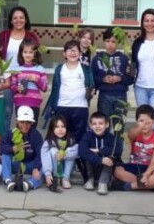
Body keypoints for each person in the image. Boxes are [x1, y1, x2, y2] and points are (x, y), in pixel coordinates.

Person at [46, 40, 94, 181]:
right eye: (69, 50)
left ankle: (76, 164)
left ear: (80, 53)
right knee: (62, 137)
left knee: (78, 138)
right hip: (62, 105)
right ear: (64, 54)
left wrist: (91, 91)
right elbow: (55, 88)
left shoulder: (85, 69)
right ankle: (60, 168)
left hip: (80, 107)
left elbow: (91, 85)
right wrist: (54, 106)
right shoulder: (60, 69)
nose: (73, 52)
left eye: (75, 50)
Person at [0, 6, 40, 125]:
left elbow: (36, 57)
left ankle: (23, 140)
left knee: (23, 113)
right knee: (6, 111)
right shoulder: (4, 35)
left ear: (26, 19)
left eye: (21, 17)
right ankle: (5, 140)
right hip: (7, 78)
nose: (18, 20)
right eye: (15, 18)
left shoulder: (31, 37)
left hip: (24, 80)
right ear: (11, 21)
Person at [113, 104, 154, 192]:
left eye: (148, 122)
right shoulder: (135, 132)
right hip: (134, 166)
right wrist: (140, 127)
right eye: (141, 121)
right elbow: (131, 135)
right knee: (116, 171)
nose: (144, 125)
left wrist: (146, 175)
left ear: (153, 122)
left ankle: (128, 186)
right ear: (137, 121)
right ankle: (152, 185)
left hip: (150, 168)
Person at [92, 28, 134, 124]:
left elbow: (130, 79)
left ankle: (117, 140)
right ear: (104, 41)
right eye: (107, 41)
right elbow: (93, 79)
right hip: (104, 96)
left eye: (113, 41)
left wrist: (120, 78)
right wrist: (103, 79)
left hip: (121, 96)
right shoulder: (97, 58)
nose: (110, 44)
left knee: (119, 126)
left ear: (118, 42)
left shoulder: (124, 58)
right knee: (103, 125)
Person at [0, 106, 43, 192]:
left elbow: (40, 153)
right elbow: (1, 148)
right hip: (16, 164)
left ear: (31, 123)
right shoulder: (11, 133)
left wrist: (36, 167)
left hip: (30, 164)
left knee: (45, 166)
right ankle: (8, 180)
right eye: (22, 122)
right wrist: (12, 148)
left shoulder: (36, 135)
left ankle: (30, 183)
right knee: (5, 156)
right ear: (17, 121)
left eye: (28, 123)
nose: (24, 125)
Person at [79, 111, 123, 194]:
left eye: (100, 123)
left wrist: (100, 150)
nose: (97, 126)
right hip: (91, 168)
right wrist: (100, 160)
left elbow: (118, 150)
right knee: (88, 153)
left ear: (107, 125)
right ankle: (90, 180)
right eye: (94, 124)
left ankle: (103, 183)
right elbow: (82, 151)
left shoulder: (111, 137)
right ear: (91, 126)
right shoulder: (87, 136)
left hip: (105, 170)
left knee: (111, 157)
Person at [9, 39, 48, 130]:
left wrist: (36, 80)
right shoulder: (16, 69)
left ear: (35, 54)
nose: (28, 54)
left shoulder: (40, 69)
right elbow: (12, 85)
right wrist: (17, 88)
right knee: (20, 128)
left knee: (32, 127)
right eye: (25, 52)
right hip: (20, 101)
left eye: (31, 52)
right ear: (21, 53)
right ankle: (19, 144)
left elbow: (45, 88)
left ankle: (32, 144)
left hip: (34, 102)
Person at [41, 115, 79, 192]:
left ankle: (65, 178)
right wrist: (48, 173)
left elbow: (77, 153)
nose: (60, 129)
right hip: (54, 169)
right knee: (53, 150)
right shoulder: (48, 142)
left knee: (70, 151)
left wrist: (65, 155)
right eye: (57, 127)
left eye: (63, 126)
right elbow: (45, 158)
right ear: (52, 129)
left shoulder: (70, 140)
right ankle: (56, 177)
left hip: (67, 169)